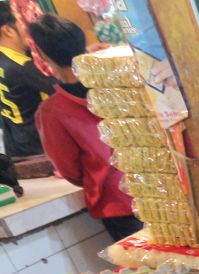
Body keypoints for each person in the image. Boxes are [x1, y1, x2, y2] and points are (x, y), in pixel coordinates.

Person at [28, 15, 141, 242]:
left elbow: (69, 170)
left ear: (44, 55)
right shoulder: (120, 84)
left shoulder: (52, 112)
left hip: (116, 202)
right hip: (157, 189)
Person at [0, 1, 53, 157]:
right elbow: (61, 90)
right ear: (8, 30)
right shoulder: (21, 66)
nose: (27, 30)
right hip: (36, 150)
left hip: (16, 147)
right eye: (21, 23)